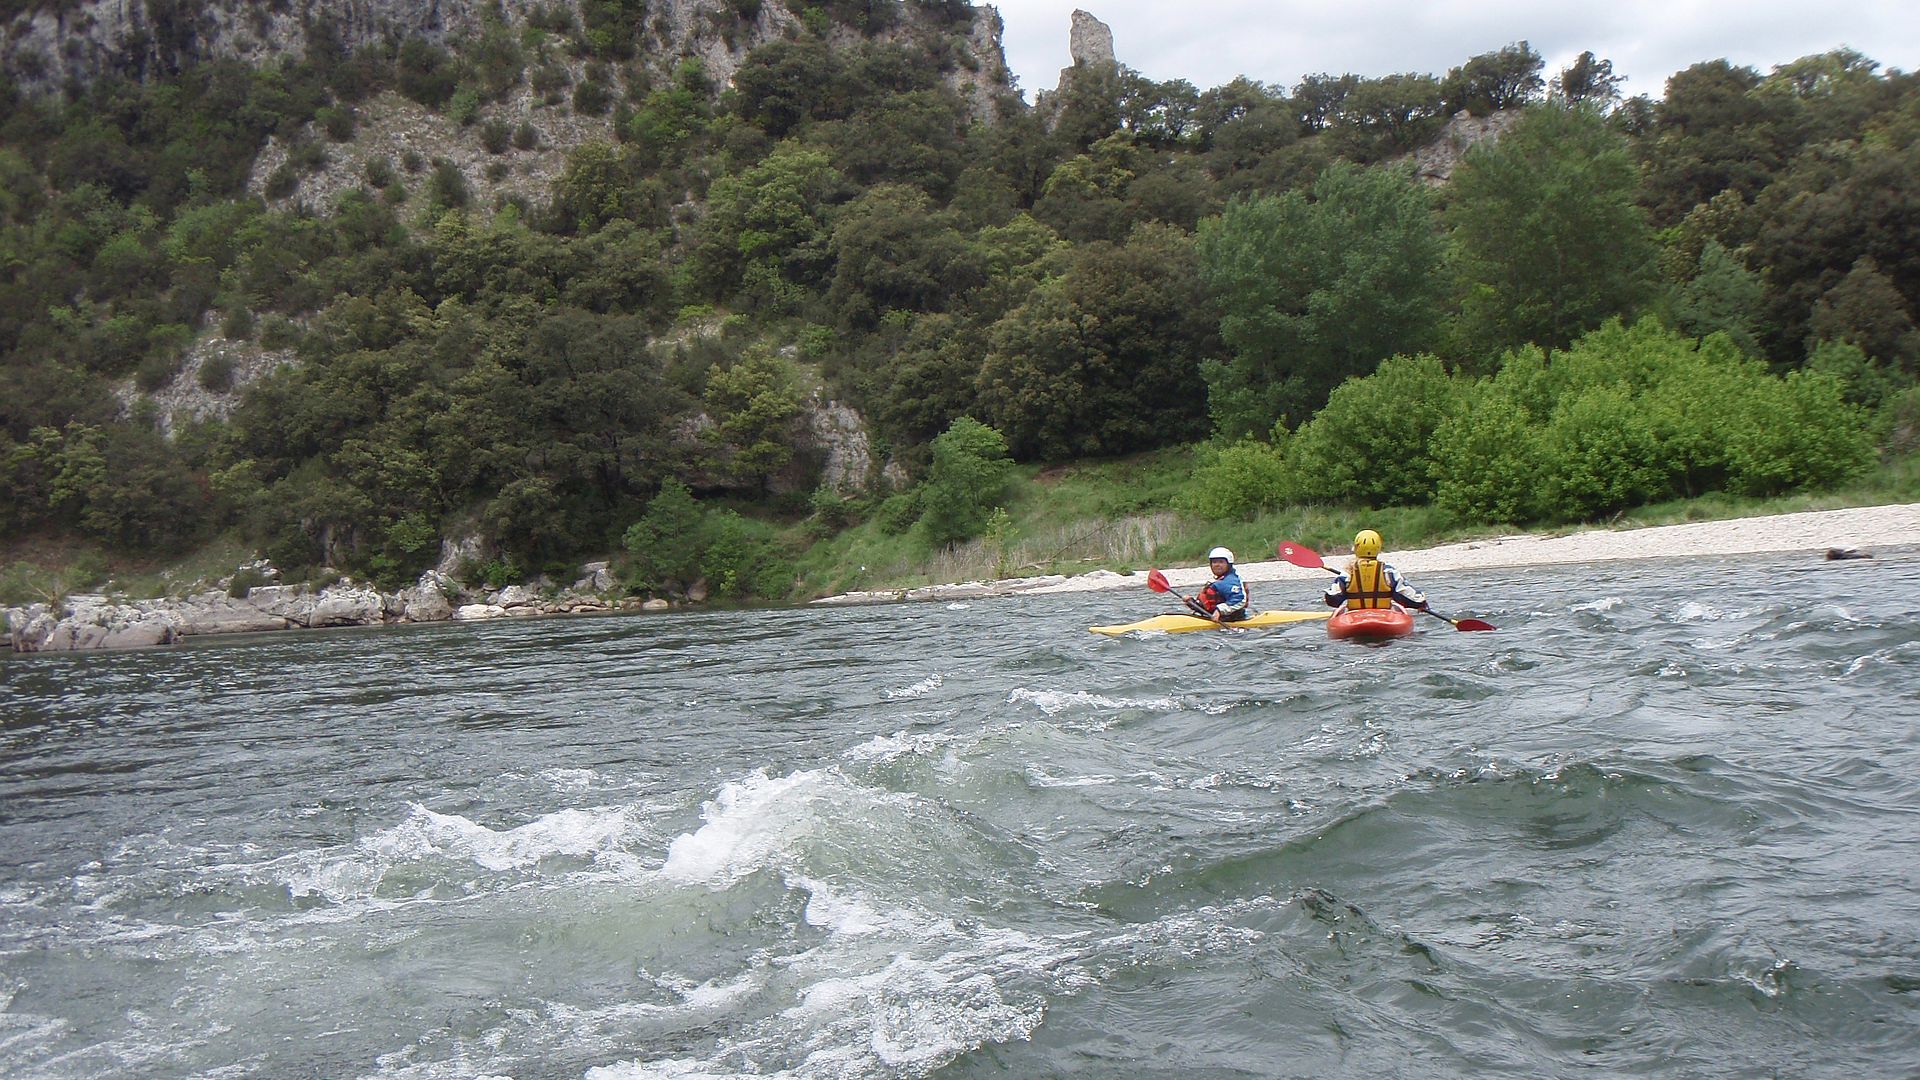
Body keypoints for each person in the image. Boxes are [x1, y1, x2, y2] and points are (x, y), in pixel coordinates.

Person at [1323, 529, 1428, 613]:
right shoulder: (1389, 571)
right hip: (1383, 614)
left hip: (1355, 615)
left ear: (1356, 548)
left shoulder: (1348, 572)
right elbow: (1406, 595)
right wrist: (1421, 603)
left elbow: (1333, 598)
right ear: (1378, 548)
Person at [1188, 546, 1251, 622]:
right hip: (1215, 617)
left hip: (1232, 619)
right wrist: (1191, 602)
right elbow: (1209, 606)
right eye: (1214, 562)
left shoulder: (1230, 581)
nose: (1217, 565)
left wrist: (1219, 611)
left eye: (1221, 562)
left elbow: (1239, 600)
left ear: (1229, 564)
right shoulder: (1220, 581)